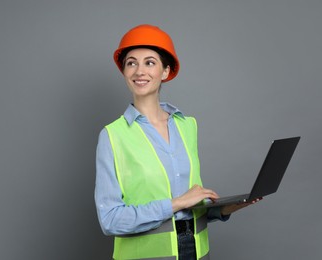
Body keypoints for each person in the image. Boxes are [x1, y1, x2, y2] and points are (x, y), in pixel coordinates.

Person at [94, 24, 259, 260]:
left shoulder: (187, 126)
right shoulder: (112, 135)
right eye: (131, 63)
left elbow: (190, 206)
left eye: (149, 62)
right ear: (124, 72)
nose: (139, 71)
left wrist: (222, 209)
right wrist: (176, 203)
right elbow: (110, 220)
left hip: (197, 252)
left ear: (165, 71)